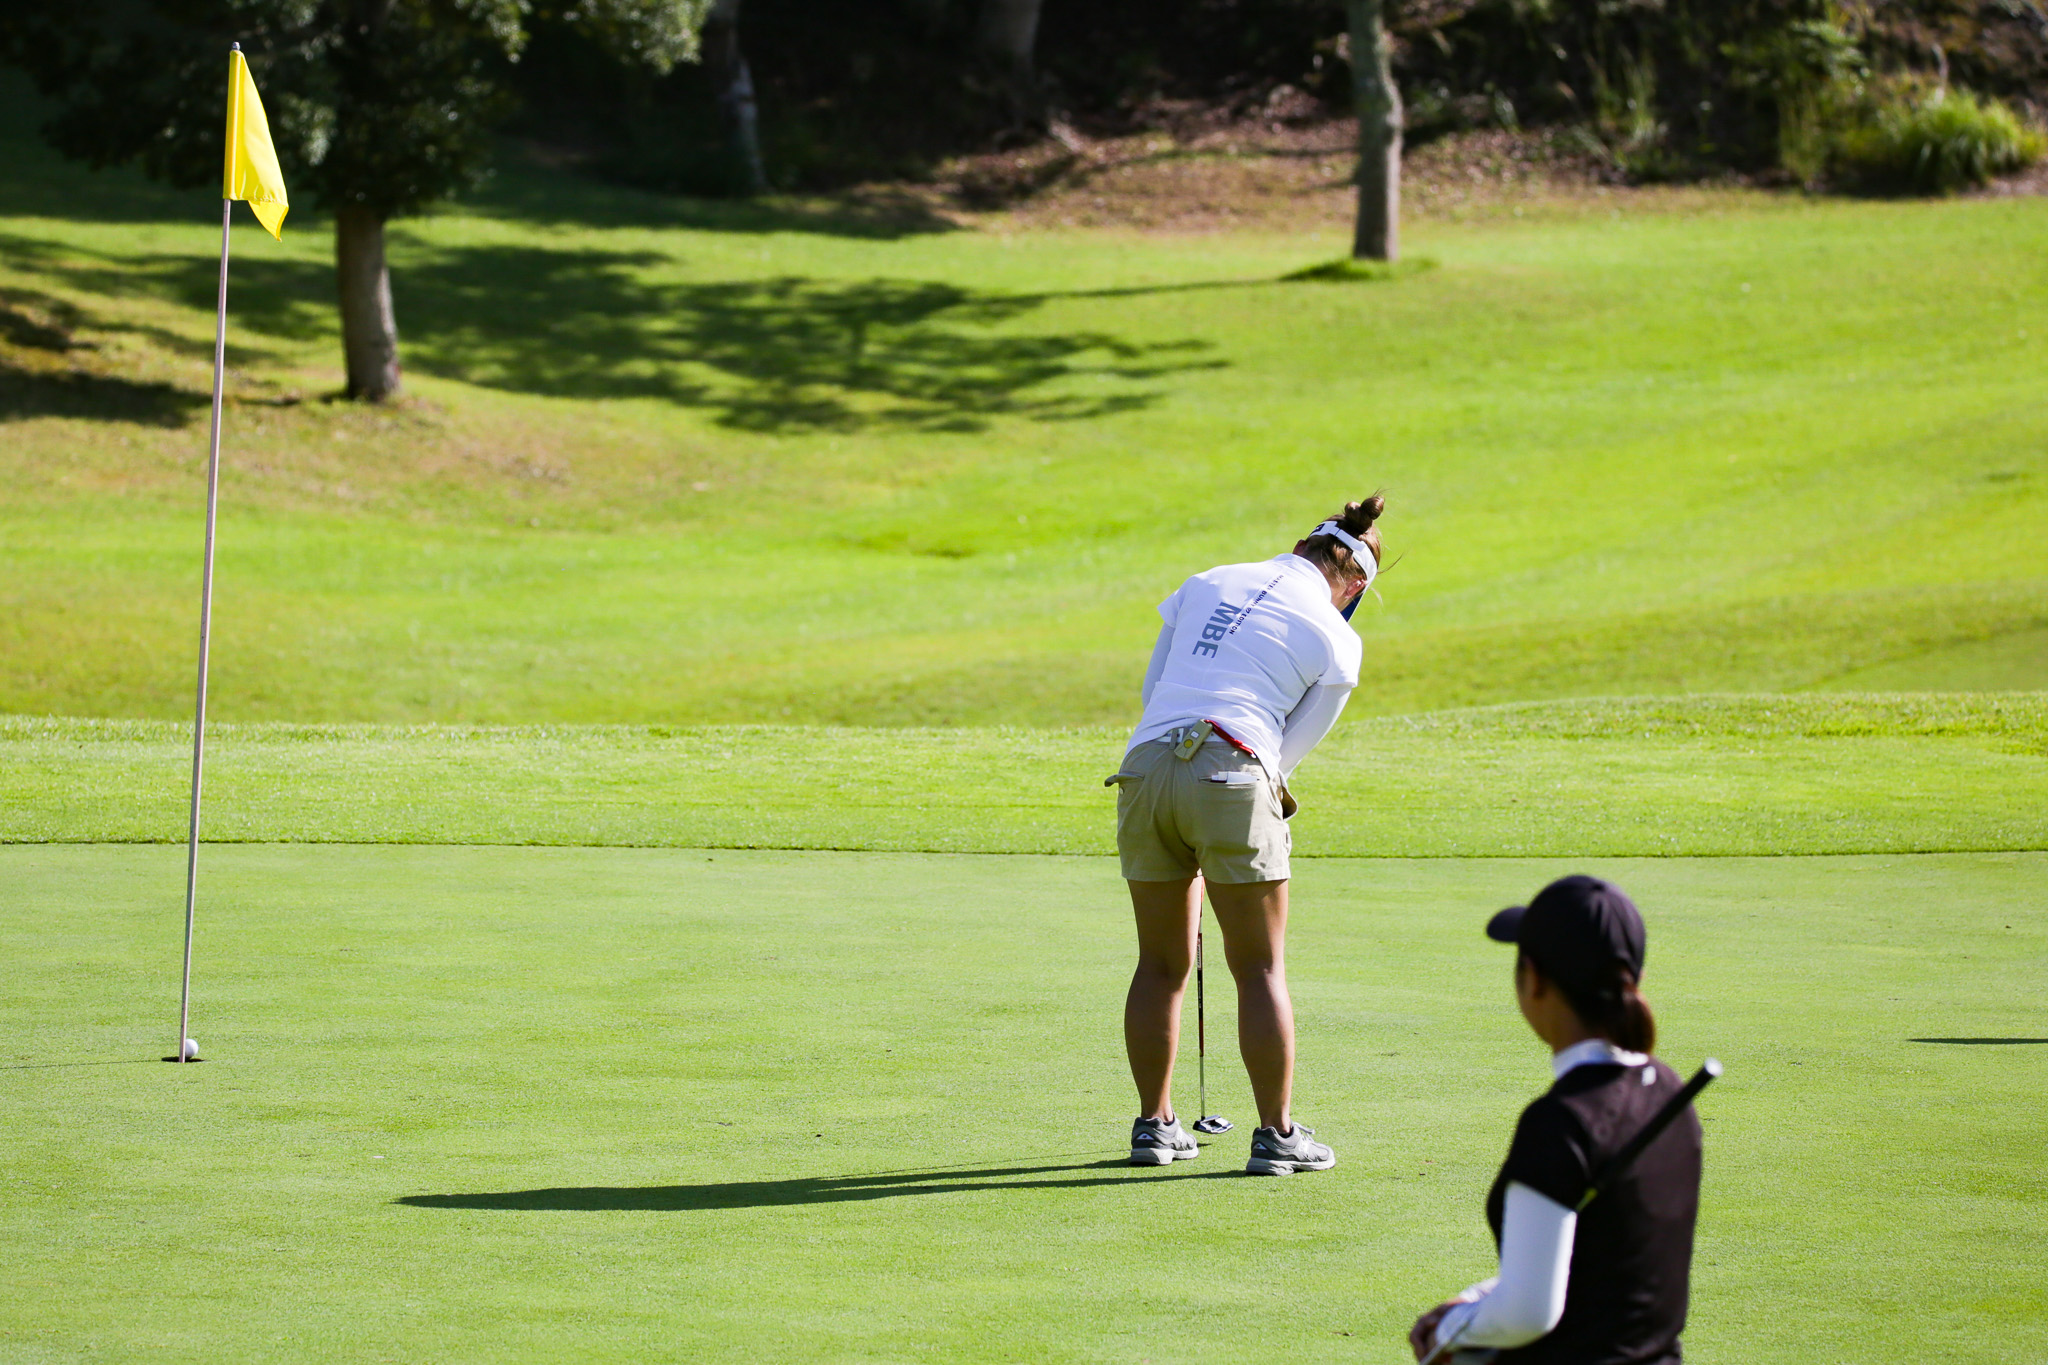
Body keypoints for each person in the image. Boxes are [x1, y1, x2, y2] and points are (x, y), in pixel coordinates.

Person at [1107, 496, 1385, 1175]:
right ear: (1353, 581)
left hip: (1144, 769)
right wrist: (1220, 813)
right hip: (1233, 768)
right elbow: (1287, 751)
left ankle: (1155, 1126)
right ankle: (1277, 1134)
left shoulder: (1207, 582)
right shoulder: (1338, 635)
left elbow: (1156, 691)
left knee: (1160, 963)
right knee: (1258, 966)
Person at [1408, 875, 1703, 1365]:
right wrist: (1480, 1301)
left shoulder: (1560, 1123)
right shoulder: (1673, 1092)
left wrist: (1448, 1332)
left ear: (1536, 979)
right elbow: (1597, 1262)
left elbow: (1528, 1313)